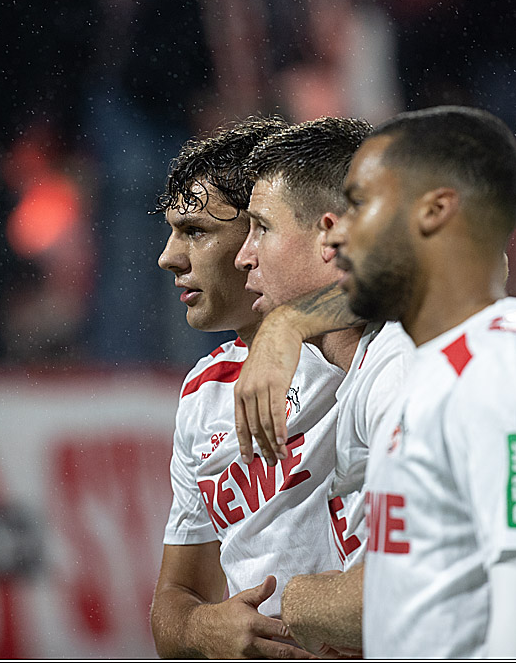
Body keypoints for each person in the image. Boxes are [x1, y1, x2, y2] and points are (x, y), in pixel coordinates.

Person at [266, 106, 516, 657]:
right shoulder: (426, 373)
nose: (333, 235)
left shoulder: (507, 362)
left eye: (357, 203)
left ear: (434, 210)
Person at [150, 116, 369, 659]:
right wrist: (203, 629)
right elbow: (176, 597)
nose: (169, 257)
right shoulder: (203, 393)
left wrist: (287, 324)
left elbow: (449, 274)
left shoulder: (367, 344)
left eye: (196, 231)